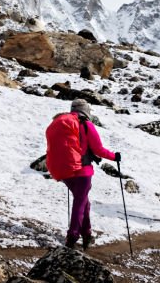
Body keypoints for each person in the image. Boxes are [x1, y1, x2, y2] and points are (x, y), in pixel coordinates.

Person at [45, 99, 119, 250]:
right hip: (82, 171)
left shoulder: (61, 122)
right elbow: (98, 149)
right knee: (80, 201)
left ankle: (87, 234)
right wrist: (114, 157)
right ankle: (72, 236)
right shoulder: (85, 124)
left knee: (84, 201)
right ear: (86, 110)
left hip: (65, 171)